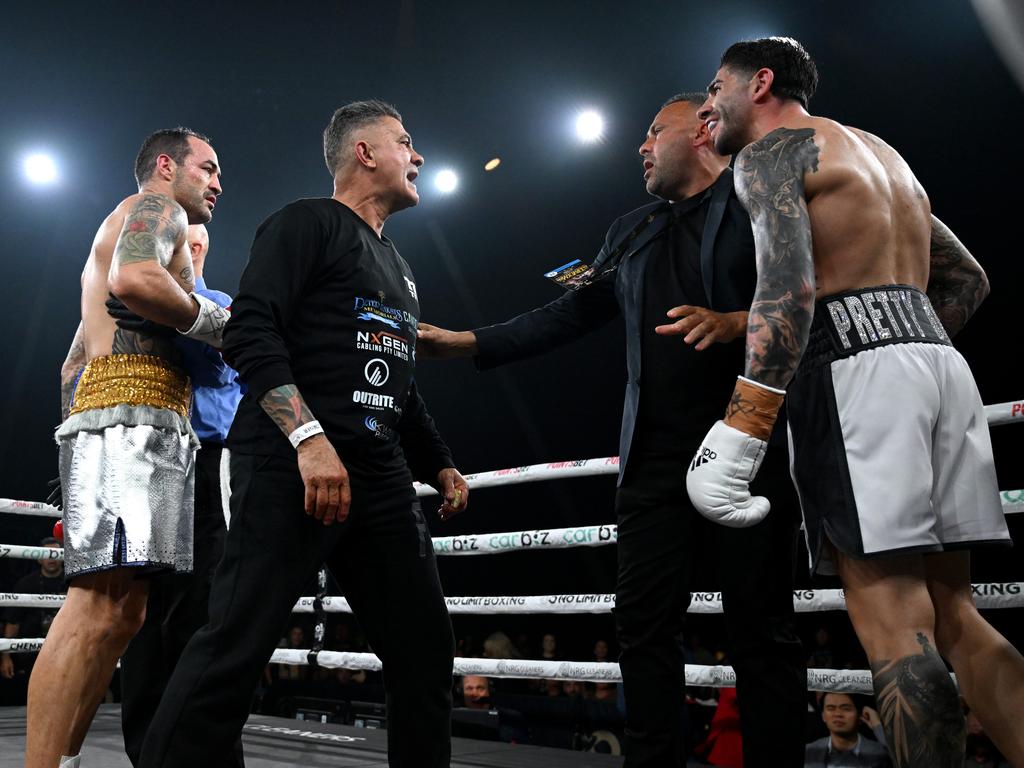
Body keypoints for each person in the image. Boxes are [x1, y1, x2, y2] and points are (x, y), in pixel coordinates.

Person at [416, 94, 806, 767]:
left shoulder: (761, 202)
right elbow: (569, 313)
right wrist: (467, 342)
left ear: (705, 130)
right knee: (644, 630)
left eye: (655, 131)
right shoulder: (634, 229)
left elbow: (809, 293)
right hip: (653, 460)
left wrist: (736, 321)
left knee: (761, 631)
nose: (641, 146)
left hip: (748, 443)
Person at [689, 36, 1024, 766]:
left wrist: (742, 428)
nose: (707, 105)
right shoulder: (878, 154)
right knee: (957, 615)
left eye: (716, 87)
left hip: (858, 379)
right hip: (938, 363)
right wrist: (899, 339)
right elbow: (968, 280)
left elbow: (787, 293)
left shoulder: (774, 154)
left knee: (896, 621)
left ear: (761, 84)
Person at [137, 100, 469, 768]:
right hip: (290, 463)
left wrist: (438, 462)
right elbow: (251, 332)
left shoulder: (399, 268)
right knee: (233, 648)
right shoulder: (305, 223)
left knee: (425, 654)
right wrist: (309, 439)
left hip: (377, 479)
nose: (419, 156)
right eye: (405, 141)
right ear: (364, 153)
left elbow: (394, 371)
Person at [28, 127, 223, 768]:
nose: (218, 183)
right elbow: (138, 277)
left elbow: (72, 362)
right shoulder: (153, 207)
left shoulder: (132, 220)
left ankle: (65, 759)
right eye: (208, 168)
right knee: (95, 609)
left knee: (124, 614)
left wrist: (78, 439)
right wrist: (222, 323)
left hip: (122, 417)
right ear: (166, 166)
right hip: (132, 416)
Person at [118, 223, 245, 768]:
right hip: (142, 458)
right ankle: (148, 753)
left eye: (196, 246)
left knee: (203, 608)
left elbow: (218, 363)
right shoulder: (125, 295)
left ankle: (208, 753)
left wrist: (173, 315)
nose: (187, 252)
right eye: (178, 245)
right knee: (138, 612)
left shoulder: (217, 303)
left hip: (205, 463)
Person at [0, 538, 66, 699]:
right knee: (35, 695)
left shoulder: (74, 582)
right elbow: (13, 621)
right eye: (47, 554)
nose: (51, 558)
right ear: (38, 558)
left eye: (56, 554)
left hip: (66, 648)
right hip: (32, 654)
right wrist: (6, 656)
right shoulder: (26, 584)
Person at [804, 693, 890, 768]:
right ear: (823, 716)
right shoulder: (808, 751)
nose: (838, 714)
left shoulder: (881, 752)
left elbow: (899, 760)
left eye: (846, 708)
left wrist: (877, 725)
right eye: (830, 708)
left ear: (860, 716)